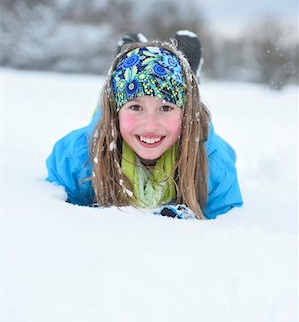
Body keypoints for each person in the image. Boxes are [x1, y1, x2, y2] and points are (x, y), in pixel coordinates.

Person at [46, 39, 243, 219]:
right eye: (136, 107)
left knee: (195, 116)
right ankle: (131, 53)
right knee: (104, 118)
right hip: (113, 126)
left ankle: (186, 77)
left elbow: (226, 223)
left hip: (191, 131)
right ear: (116, 113)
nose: (150, 125)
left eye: (166, 107)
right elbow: (59, 218)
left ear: (184, 114)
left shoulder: (212, 161)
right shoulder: (76, 157)